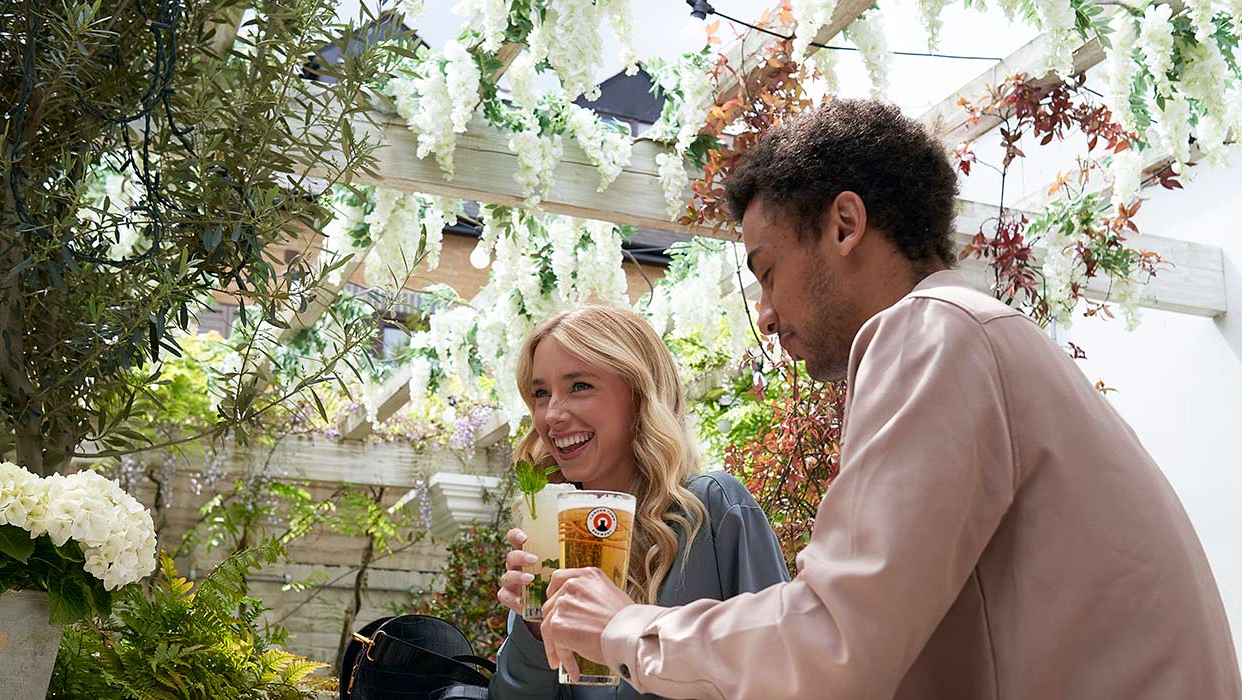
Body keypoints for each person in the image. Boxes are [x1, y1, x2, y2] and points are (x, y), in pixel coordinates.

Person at [537, 99, 1242, 699]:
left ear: (845, 225)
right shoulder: (976, 334)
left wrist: (625, 626)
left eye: (768, 270)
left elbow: (835, 639)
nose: (767, 313)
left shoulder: (934, 331)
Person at [489, 304, 789, 700]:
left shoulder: (712, 509)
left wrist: (632, 630)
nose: (552, 414)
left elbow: (784, 668)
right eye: (541, 393)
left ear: (639, 394)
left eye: (579, 386)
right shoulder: (556, 532)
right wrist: (532, 627)